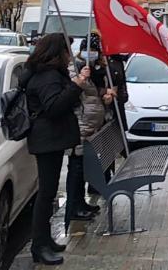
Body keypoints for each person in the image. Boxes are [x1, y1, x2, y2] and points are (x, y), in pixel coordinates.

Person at [24, 33, 89, 265]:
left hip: (49, 139)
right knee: (45, 194)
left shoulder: (48, 73)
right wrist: (76, 86)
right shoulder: (47, 76)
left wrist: (75, 85)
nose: (69, 55)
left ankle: (45, 239)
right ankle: (39, 246)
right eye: (66, 50)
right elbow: (53, 107)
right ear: (57, 52)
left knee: (48, 193)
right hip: (46, 139)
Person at [65, 34, 112, 227]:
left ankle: (81, 202)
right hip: (80, 125)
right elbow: (74, 91)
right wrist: (82, 78)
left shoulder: (97, 69)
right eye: (88, 50)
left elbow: (94, 91)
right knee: (76, 168)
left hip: (93, 126)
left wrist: (106, 94)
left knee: (84, 167)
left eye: (94, 50)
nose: (91, 54)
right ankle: (74, 207)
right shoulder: (75, 68)